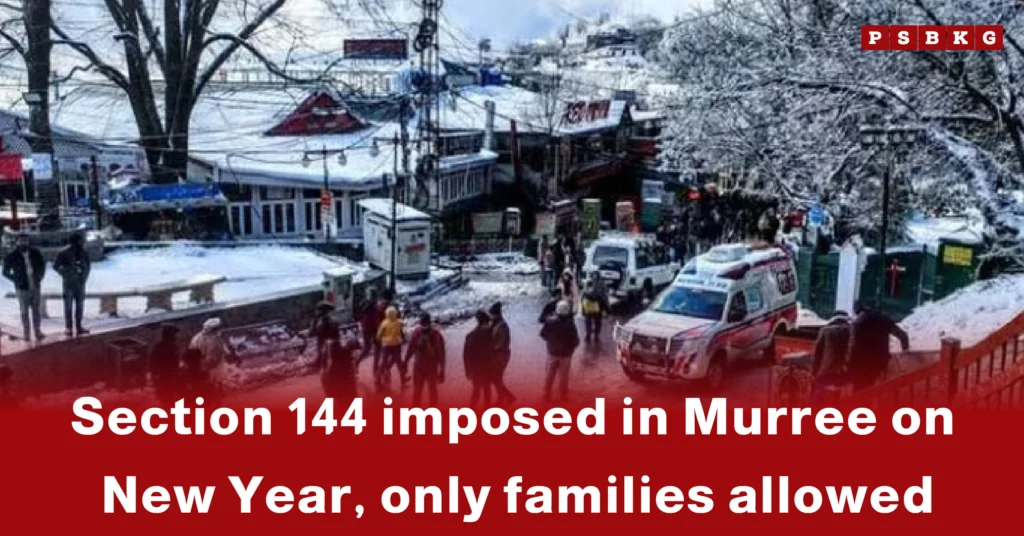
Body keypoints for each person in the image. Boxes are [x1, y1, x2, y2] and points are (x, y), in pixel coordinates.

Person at [847, 301, 910, 391]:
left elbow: (853, 345)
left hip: (862, 363)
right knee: (874, 389)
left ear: (857, 310)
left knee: (859, 390)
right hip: (880, 361)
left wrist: (849, 362)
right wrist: (905, 347)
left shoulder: (858, 323)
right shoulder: (883, 319)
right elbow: (901, 334)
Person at [2, 233, 46, 342]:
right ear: (17, 242)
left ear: (28, 241)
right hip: (21, 288)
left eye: (25, 240)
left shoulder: (35, 253)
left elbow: (42, 266)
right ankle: (27, 334)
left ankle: (38, 331)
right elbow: (5, 272)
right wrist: (15, 279)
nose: (23, 242)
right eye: (21, 241)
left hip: (35, 285)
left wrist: (39, 277)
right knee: (24, 311)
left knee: (36, 311)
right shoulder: (12, 255)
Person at [540, 300, 580, 403]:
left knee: (549, 375)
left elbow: (542, 334)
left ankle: (546, 396)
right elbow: (576, 341)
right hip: (566, 355)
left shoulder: (549, 322)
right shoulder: (570, 324)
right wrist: (571, 349)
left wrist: (551, 342)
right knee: (564, 377)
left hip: (552, 352)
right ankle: (563, 397)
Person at [53, 233, 91, 337]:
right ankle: (68, 327)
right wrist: (65, 273)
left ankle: (79, 326)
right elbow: (56, 266)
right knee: (68, 306)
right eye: (79, 241)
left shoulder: (83, 252)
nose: (81, 242)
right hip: (68, 283)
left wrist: (84, 277)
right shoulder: (63, 253)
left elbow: (88, 266)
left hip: (80, 283)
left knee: (80, 305)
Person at [405, 312, 446, 406]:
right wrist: (442, 369)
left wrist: (406, 361)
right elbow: (441, 354)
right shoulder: (436, 334)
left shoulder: (416, 333)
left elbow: (410, 349)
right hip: (430, 366)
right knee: (431, 391)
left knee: (418, 391)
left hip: (419, 365)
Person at [810, 312, 851, 401]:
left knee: (819, 398)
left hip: (825, 371)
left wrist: (813, 372)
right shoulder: (850, 331)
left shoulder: (825, 330)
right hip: (841, 372)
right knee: (838, 399)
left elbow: (817, 354)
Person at [189, 317, 229, 393]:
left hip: (199, 364)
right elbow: (218, 352)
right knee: (216, 375)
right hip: (211, 363)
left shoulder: (196, 337)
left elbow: (191, 350)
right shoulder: (214, 338)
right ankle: (218, 391)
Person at [463, 310, 494, 408]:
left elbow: (466, 355)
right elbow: (492, 352)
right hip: (486, 367)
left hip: (475, 368)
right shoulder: (489, 335)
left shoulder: (470, 336)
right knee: (487, 392)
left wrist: (467, 370)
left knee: (476, 392)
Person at [489, 302, 516, 404]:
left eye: (492, 314)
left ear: (497, 314)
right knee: (496, 378)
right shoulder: (496, 323)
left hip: (501, 355)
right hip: (498, 355)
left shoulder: (502, 326)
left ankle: (504, 398)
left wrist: (492, 348)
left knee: (496, 377)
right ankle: (506, 397)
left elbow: (502, 343)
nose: (491, 316)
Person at [322, 337, 361, 407]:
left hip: (336, 386)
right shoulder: (345, 359)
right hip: (341, 387)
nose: (356, 354)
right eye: (355, 351)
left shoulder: (342, 355)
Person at [150, 323, 181, 404]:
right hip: (164, 377)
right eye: (173, 335)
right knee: (166, 397)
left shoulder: (170, 346)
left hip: (169, 377)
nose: (175, 337)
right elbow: (153, 363)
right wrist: (155, 375)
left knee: (168, 397)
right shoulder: (162, 347)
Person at [376, 306, 406, 390]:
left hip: (386, 345)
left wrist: (382, 340)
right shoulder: (398, 322)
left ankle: (378, 381)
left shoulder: (384, 323)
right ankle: (403, 381)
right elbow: (404, 323)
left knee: (383, 363)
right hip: (396, 345)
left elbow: (378, 335)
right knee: (399, 363)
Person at [358, 288, 385, 372]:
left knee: (378, 348)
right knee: (367, 349)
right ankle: (356, 362)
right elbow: (363, 310)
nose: (373, 296)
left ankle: (375, 368)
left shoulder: (378, 304)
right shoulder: (364, 303)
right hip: (366, 328)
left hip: (375, 328)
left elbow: (380, 314)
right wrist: (370, 303)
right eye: (371, 294)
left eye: (374, 295)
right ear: (368, 295)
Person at [310, 301, 340, 370]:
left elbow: (312, 332)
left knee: (326, 359)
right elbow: (312, 332)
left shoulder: (326, 320)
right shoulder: (321, 320)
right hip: (327, 343)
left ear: (323, 311)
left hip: (328, 343)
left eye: (318, 310)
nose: (316, 312)